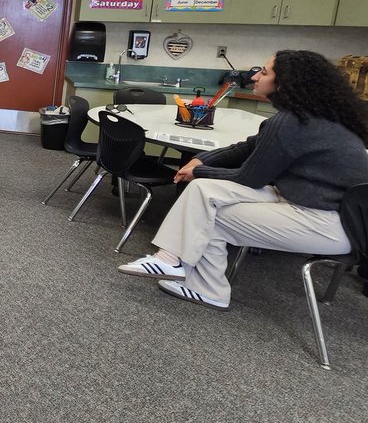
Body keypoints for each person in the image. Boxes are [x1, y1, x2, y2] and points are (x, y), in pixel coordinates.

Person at [119, 50, 368, 310]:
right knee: (203, 192)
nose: (255, 77)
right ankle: (170, 259)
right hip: (314, 204)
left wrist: (197, 170)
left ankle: (204, 286)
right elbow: (249, 146)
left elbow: (249, 177)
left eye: (264, 72)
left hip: (328, 223)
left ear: (284, 83)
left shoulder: (293, 121)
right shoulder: (313, 114)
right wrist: (202, 160)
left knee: (207, 216)